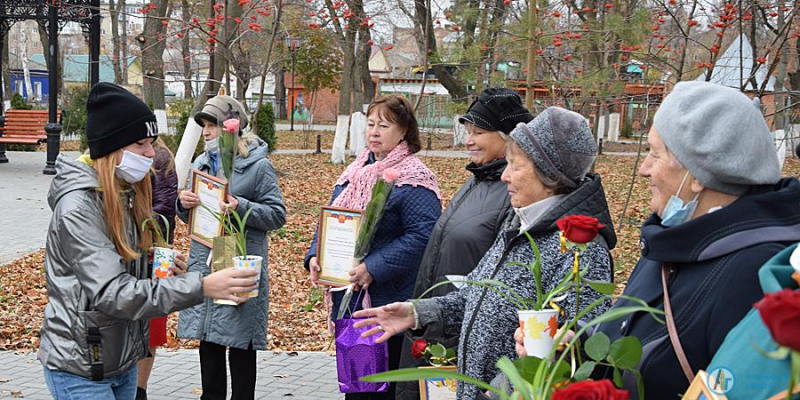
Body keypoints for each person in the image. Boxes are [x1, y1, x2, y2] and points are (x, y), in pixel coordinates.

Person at [514, 82, 800, 400]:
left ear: (696, 175)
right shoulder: (672, 239)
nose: (643, 168)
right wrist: (571, 355)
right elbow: (631, 343)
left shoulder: (753, 273)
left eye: (654, 153)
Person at [354, 107, 617, 400]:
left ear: (550, 175)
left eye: (515, 166)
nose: (504, 176)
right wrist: (416, 313)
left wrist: (497, 393)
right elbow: (476, 296)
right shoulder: (518, 223)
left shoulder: (580, 250)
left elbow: (573, 352)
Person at [39, 82, 258, 400]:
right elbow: (112, 293)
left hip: (121, 361)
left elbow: (115, 262)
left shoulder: (121, 191)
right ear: (110, 148)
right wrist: (203, 286)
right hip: (82, 368)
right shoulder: (78, 207)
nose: (151, 153)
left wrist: (148, 260)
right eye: (141, 144)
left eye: (152, 142)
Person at [395, 88, 534, 400]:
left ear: (509, 137)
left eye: (478, 132)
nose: (468, 140)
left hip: (467, 342)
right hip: (440, 325)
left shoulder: (514, 196)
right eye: (467, 131)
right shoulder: (477, 180)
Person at [305, 94, 442, 400]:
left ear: (404, 130)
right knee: (358, 386)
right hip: (351, 299)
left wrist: (374, 267)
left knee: (383, 388)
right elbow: (332, 218)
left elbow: (424, 235)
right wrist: (315, 255)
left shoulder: (414, 177)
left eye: (384, 125)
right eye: (370, 124)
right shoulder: (355, 171)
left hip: (389, 303)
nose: (374, 132)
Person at [176, 95, 286, 400]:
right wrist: (182, 204)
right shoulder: (201, 162)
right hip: (209, 258)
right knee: (208, 335)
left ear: (231, 129)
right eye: (204, 126)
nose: (207, 132)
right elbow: (192, 216)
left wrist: (240, 207)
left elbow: (277, 214)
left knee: (239, 341)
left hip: (239, 260)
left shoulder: (258, 165)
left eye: (212, 126)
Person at [136, 137, 178, 400]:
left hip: (157, 252)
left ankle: (140, 389)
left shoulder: (161, 159)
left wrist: (133, 224)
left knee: (151, 326)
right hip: (138, 250)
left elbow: (164, 210)